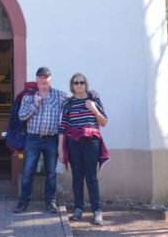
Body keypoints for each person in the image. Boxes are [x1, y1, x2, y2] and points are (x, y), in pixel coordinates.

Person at [14, 66, 71, 214]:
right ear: (37, 80)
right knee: (27, 171)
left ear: (50, 79)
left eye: (45, 78)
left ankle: (50, 202)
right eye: (40, 78)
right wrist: (35, 104)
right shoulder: (28, 98)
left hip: (51, 139)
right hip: (32, 139)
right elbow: (21, 116)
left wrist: (91, 95)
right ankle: (23, 202)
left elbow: (74, 102)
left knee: (51, 172)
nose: (43, 80)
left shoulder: (59, 95)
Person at [58, 73, 108, 226]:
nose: (79, 85)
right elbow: (62, 127)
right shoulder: (69, 103)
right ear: (72, 86)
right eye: (75, 83)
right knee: (77, 176)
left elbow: (104, 122)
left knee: (91, 177)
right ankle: (78, 208)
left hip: (91, 142)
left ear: (86, 84)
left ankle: (97, 211)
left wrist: (94, 110)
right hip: (74, 143)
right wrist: (61, 150)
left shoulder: (94, 99)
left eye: (81, 82)